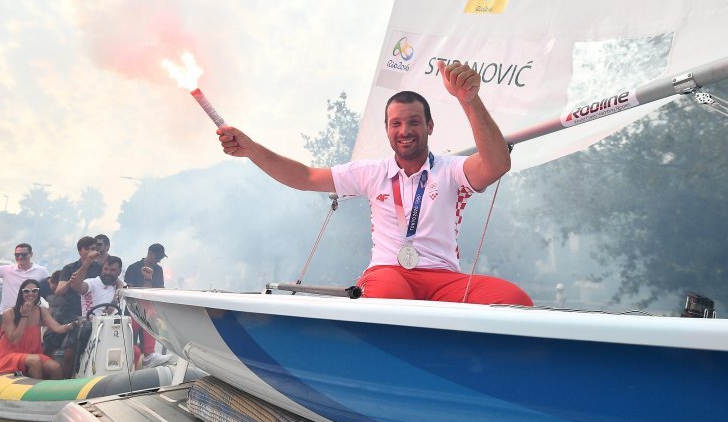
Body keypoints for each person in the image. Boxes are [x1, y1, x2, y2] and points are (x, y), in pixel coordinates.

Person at [216, 61, 532, 306]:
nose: (404, 130)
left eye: (414, 122)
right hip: (389, 274)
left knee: (515, 300)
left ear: (430, 126)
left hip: (443, 280)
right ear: (387, 129)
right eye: (396, 123)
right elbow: (305, 177)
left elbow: (496, 164)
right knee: (388, 296)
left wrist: (469, 100)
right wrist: (251, 149)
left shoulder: (450, 169)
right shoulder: (371, 172)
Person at [0, 279, 74, 379]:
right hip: (8, 354)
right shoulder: (9, 313)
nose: (31, 294)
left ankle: (56, 393)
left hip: (31, 353)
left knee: (55, 367)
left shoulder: (41, 310)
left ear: (38, 293)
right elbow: (14, 340)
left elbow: (58, 328)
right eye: (26, 291)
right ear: (21, 293)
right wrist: (25, 316)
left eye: (34, 291)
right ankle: (37, 392)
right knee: (35, 361)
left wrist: (73, 325)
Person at [124, 243, 172, 367]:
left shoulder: (158, 270)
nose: (158, 261)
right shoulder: (133, 268)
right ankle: (131, 366)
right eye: (157, 257)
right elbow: (131, 293)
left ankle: (149, 356)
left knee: (151, 324)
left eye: (161, 258)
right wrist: (148, 280)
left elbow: (159, 291)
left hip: (150, 310)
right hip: (133, 311)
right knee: (131, 347)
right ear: (149, 253)